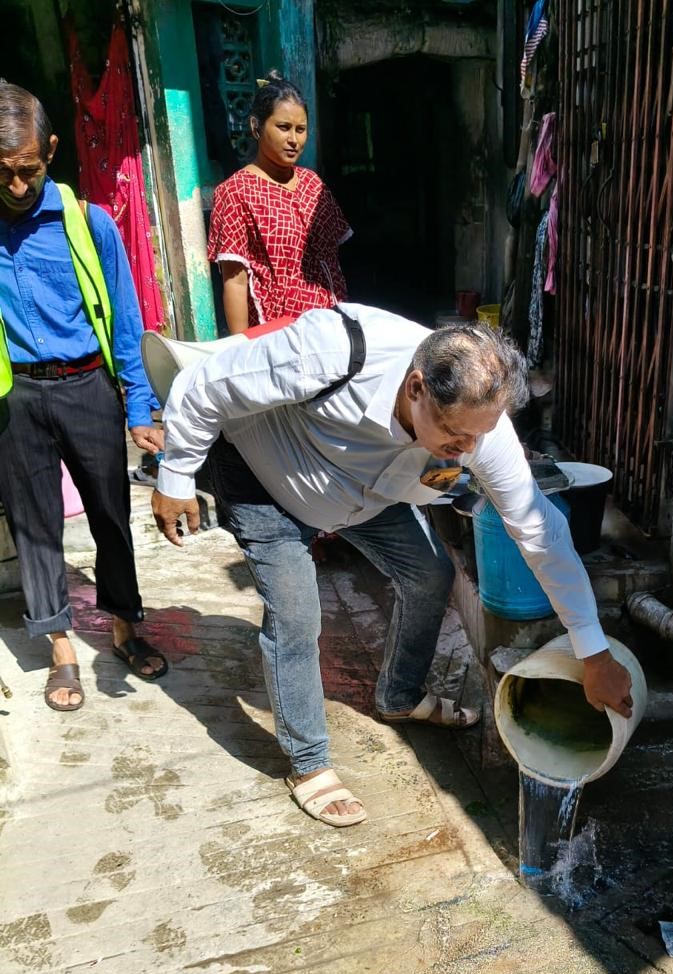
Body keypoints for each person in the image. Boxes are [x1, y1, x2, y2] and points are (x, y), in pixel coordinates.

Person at [150, 304, 633, 828]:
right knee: (296, 616)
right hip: (267, 478)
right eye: (454, 435)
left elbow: (541, 533)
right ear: (416, 387)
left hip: (367, 495)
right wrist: (176, 477)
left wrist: (594, 653)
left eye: (478, 437)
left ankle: (400, 697)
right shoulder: (333, 350)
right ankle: (308, 761)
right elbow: (203, 385)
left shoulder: (478, 431)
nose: (466, 452)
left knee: (430, 574)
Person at [0, 82, 168, 711]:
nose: (17, 186)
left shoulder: (89, 223)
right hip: (15, 397)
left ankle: (124, 625)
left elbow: (125, 320)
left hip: (87, 385)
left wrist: (140, 406)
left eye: (28, 169)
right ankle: (60, 648)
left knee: (110, 513)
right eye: (2, 173)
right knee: (34, 524)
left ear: (50, 150)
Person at [207, 70, 351, 334]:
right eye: (283, 128)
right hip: (277, 336)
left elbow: (333, 262)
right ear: (256, 127)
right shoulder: (236, 192)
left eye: (301, 130)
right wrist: (243, 348)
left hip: (330, 328)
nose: (293, 140)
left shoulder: (313, 184)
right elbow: (235, 282)